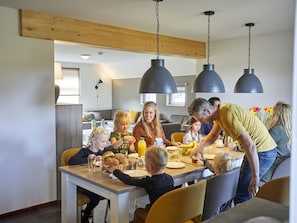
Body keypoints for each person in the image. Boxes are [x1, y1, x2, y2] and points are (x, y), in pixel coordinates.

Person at [188, 98, 277, 204]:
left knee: (243, 194)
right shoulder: (220, 113)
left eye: (201, 119)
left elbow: (250, 145)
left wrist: (255, 177)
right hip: (262, 150)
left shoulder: (227, 115)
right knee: (242, 190)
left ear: (207, 111)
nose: (201, 123)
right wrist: (199, 148)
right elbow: (213, 135)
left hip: (262, 152)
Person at [107, 145, 175, 223]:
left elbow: (128, 180)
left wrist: (116, 171)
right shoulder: (169, 178)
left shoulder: (150, 182)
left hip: (157, 216)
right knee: (147, 207)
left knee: (138, 211)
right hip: (169, 213)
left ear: (150, 166)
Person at [68, 127, 112, 223]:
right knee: (95, 198)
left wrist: (105, 159)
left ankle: (114, 217)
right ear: (93, 140)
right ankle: (86, 215)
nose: (105, 144)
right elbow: (71, 161)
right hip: (83, 184)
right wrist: (88, 159)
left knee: (112, 196)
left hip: (98, 183)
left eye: (105, 142)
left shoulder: (102, 152)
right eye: (102, 142)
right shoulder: (84, 152)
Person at [261, 101, 291, 182]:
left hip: (270, 171)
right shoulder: (291, 131)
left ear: (277, 114)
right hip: (284, 173)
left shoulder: (277, 130)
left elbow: (261, 147)